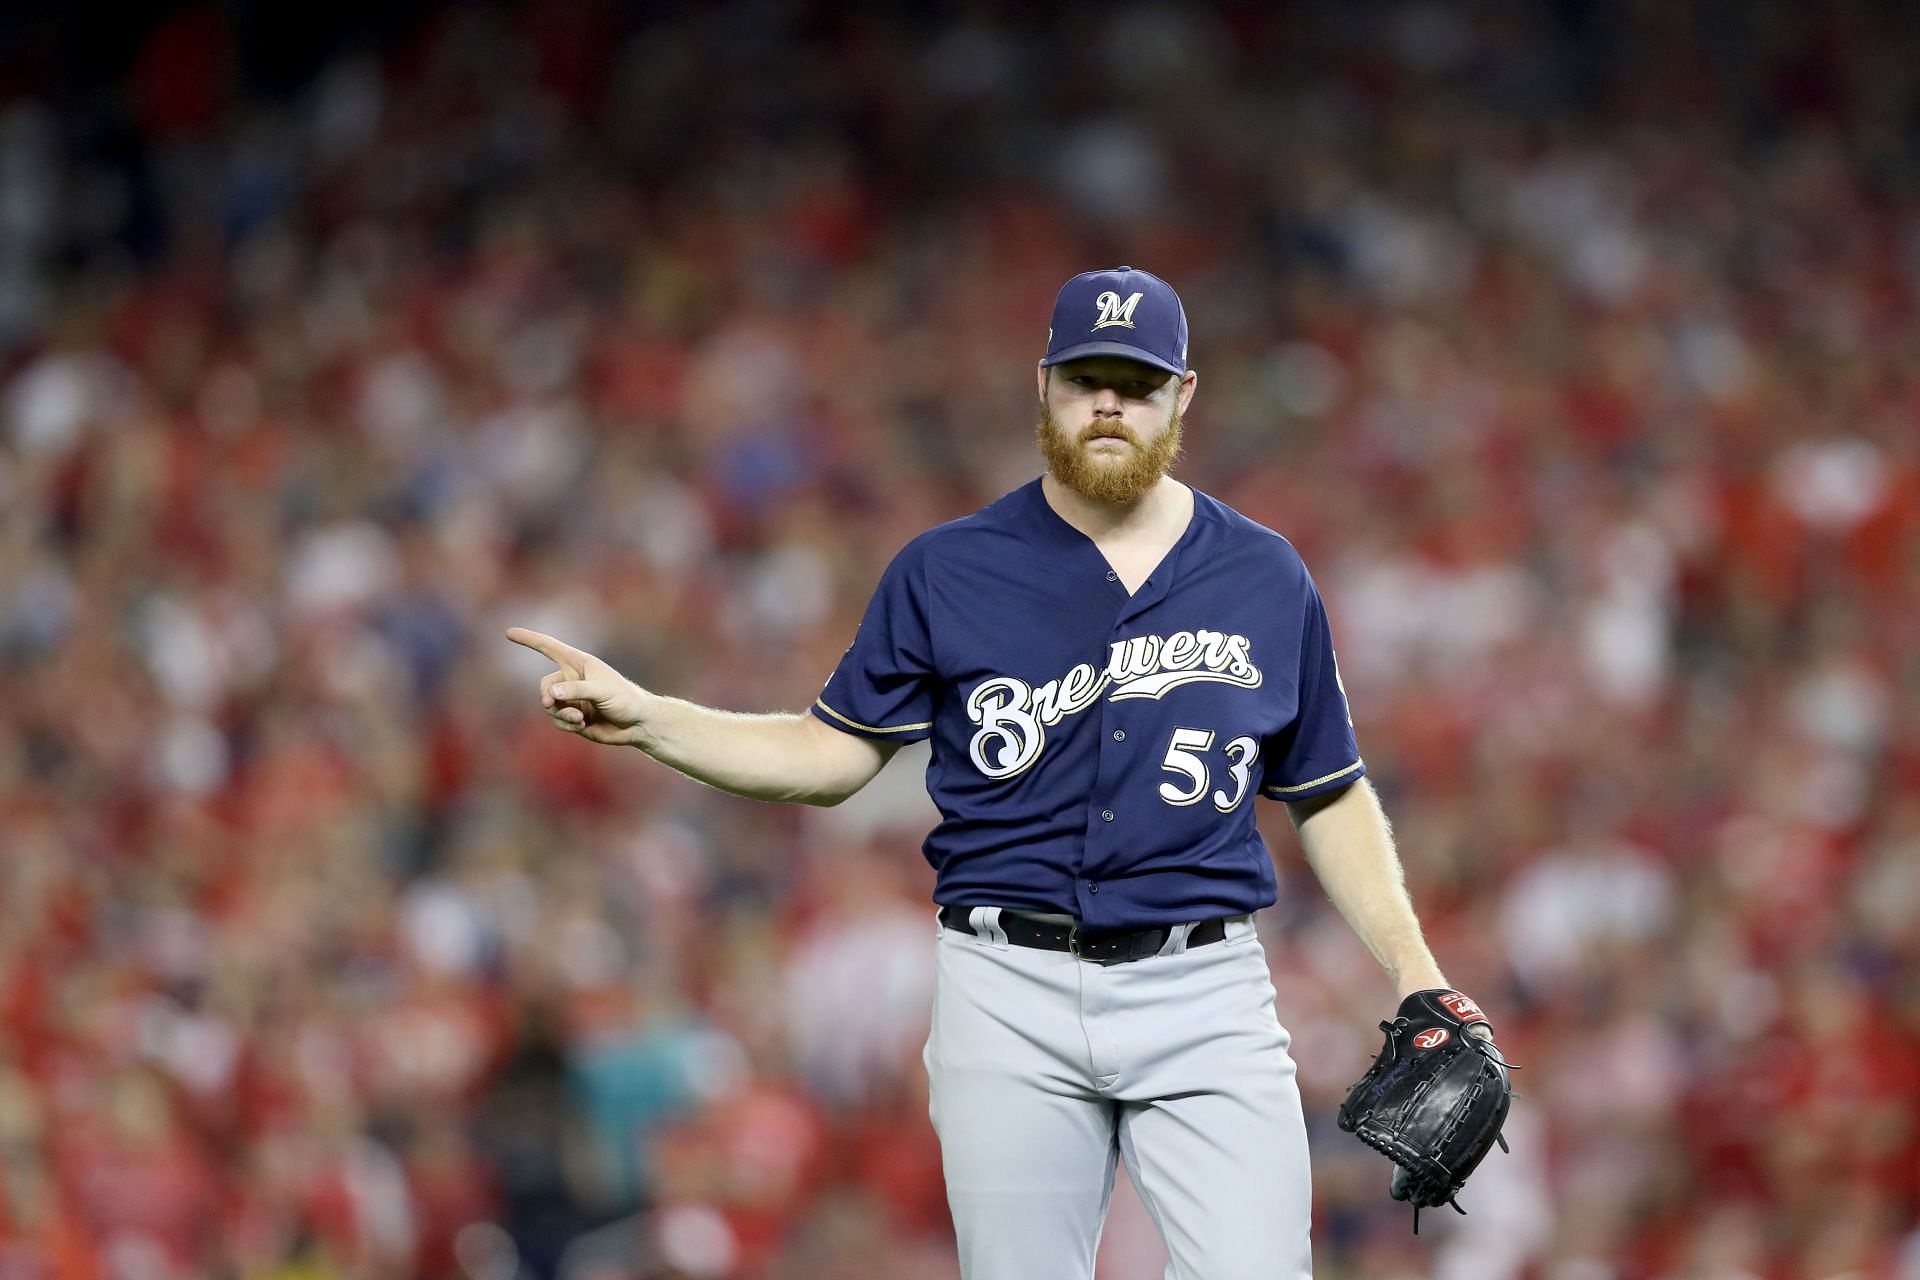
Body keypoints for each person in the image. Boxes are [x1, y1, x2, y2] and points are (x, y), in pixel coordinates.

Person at [508, 266, 1477, 1278]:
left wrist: (1414, 963)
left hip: (1205, 988)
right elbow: (830, 753)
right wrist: (658, 720)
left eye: (1137, 382)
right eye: (1086, 377)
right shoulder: (947, 568)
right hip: (1007, 986)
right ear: (1045, 384)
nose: (1110, 403)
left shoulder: (1265, 574)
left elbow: (1326, 788)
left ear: (1182, 396)